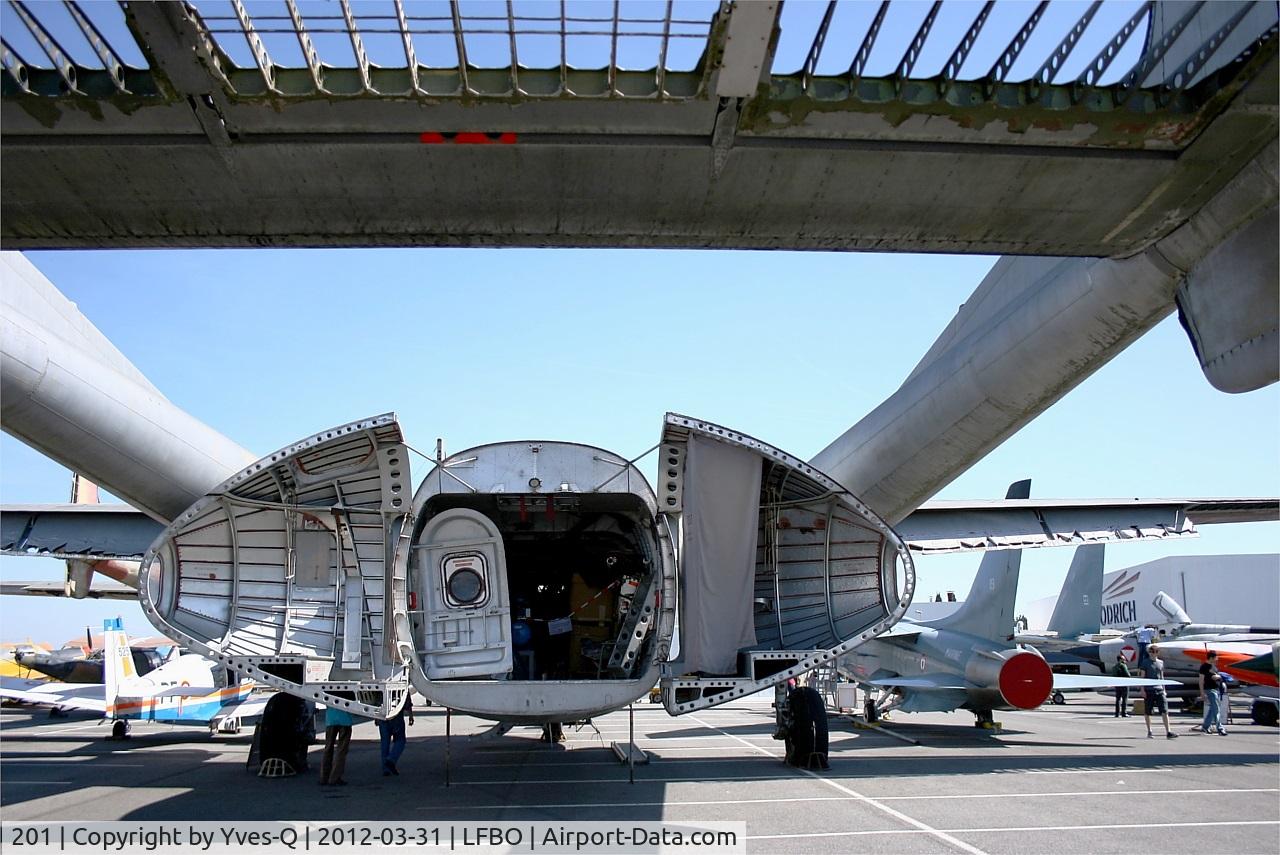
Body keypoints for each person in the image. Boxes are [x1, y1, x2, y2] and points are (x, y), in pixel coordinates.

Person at [1141, 645, 1178, 740]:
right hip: (1149, 690)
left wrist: (1164, 689)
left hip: (1159, 689)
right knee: (1148, 712)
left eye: (1154, 651)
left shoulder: (1161, 663)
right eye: (1150, 651)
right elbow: (1142, 677)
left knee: (1164, 711)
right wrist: (1142, 689)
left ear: (1157, 652)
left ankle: (1168, 731)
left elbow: (1162, 677)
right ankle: (1149, 731)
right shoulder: (1145, 663)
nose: (1152, 653)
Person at [376, 698, 415, 775]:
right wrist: (410, 715)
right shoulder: (402, 685)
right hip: (396, 714)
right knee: (400, 740)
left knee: (385, 742)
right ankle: (391, 760)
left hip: (382, 714)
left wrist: (376, 716)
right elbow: (407, 701)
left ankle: (385, 768)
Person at [319, 705, 354, 786]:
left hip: (330, 719)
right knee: (341, 750)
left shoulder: (329, 691)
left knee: (328, 748)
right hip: (345, 720)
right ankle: (335, 777)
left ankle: (324, 776)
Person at [1198, 651, 1228, 735]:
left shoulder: (1213, 666)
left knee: (1212, 709)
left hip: (1216, 689)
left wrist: (1219, 677)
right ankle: (1220, 728)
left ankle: (1205, 726)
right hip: (1210, 689)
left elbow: (1217, 675)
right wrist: (1202, 692)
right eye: (1215, 657)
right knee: (1216, 709)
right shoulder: (1204, 667)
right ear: (1211, 658)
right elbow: (1201, 680)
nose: (1217, 659)